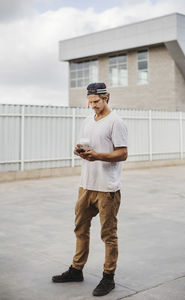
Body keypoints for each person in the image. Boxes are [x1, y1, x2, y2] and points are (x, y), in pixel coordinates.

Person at [52, 82, 128, 297]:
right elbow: (83, 145)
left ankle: (108, 277)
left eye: (96, 101)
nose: (92, 105)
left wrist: (98, 156)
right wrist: (79, 151)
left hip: (107, 188)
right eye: (90, 101)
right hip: (86, 185)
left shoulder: (116, 122)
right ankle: (76, 270)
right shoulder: (87, 120)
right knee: (80, 229)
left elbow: (122, 154)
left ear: (107, 98)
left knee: (108, 234)